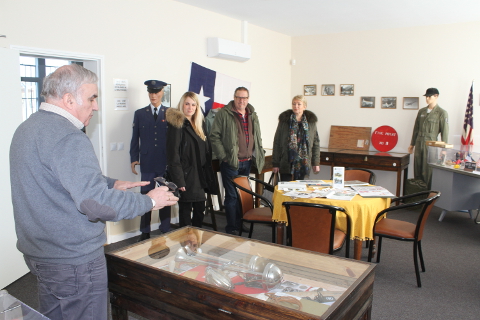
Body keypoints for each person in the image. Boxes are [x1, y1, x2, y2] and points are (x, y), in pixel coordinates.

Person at [9, 64, 179, 320]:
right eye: (91, 98)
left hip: (41, 255)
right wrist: (148, 202)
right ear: (68, 100)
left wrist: (111, 183)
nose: (96, 106)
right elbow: (96, 204)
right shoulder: (68, 137)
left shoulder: (27, 129)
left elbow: (57, 178)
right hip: (73, 261)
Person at [210, 87, 265, 235]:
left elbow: (256, 136)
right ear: (234, 97)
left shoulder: (252, 114)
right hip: (231, 162)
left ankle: (242, 223)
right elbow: (214, 136)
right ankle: (232, 227)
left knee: (243, 194)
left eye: (245, 98)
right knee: (232, 196)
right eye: (239, 97)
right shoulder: (224, 114)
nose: (242, 101)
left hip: (247, 162)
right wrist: (224, 157)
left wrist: (258, 153)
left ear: (248, 99)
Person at [165, 92, 218, 227]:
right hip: (186, 176)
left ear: (197, 107)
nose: (190, 107)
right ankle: (185, 243)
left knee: (200, 209)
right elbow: (173, 155)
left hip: (200, 177)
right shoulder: (177, 125)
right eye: (187, 104)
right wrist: (179, 180)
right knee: (185, 212)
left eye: (193, 104)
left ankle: (196, 240)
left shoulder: (200, 124)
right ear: (182, 105)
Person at [130, 80, 171, 241]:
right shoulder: (140, 113)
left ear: (162, 93)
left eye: (156, 92)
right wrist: (134, 158)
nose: (153, 96)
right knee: (146, 196)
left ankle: (165, 228)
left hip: (164, 162)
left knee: (165, 195)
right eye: (151, 92)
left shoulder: (170, 113)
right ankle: (145, 230)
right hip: (147, 162)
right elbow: (135, 138)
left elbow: (174, 141)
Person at [272, 95, 320, 181]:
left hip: (303, 163)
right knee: (285, 189)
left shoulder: (311, 123)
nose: (296, 106)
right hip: (286, 161)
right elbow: (277, 142)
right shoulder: (284, 121)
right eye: (294, 104)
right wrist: (275, 163)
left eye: (299, 104)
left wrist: (316, 162)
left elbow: (315, 143)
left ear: (304, 106)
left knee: (299, 190)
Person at [408, 88, 449, 189]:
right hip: (419, 143)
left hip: (431, 145)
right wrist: (412, 144)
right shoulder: (421, 111)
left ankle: (426, 195)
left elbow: (445, 132)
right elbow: (416, 129)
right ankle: (416, 193)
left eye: (429, 96)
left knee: (428, 170)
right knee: (417, 168)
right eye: (426, 96)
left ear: (436, 96)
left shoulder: (442, 113)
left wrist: (444, 149)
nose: (427, 99)